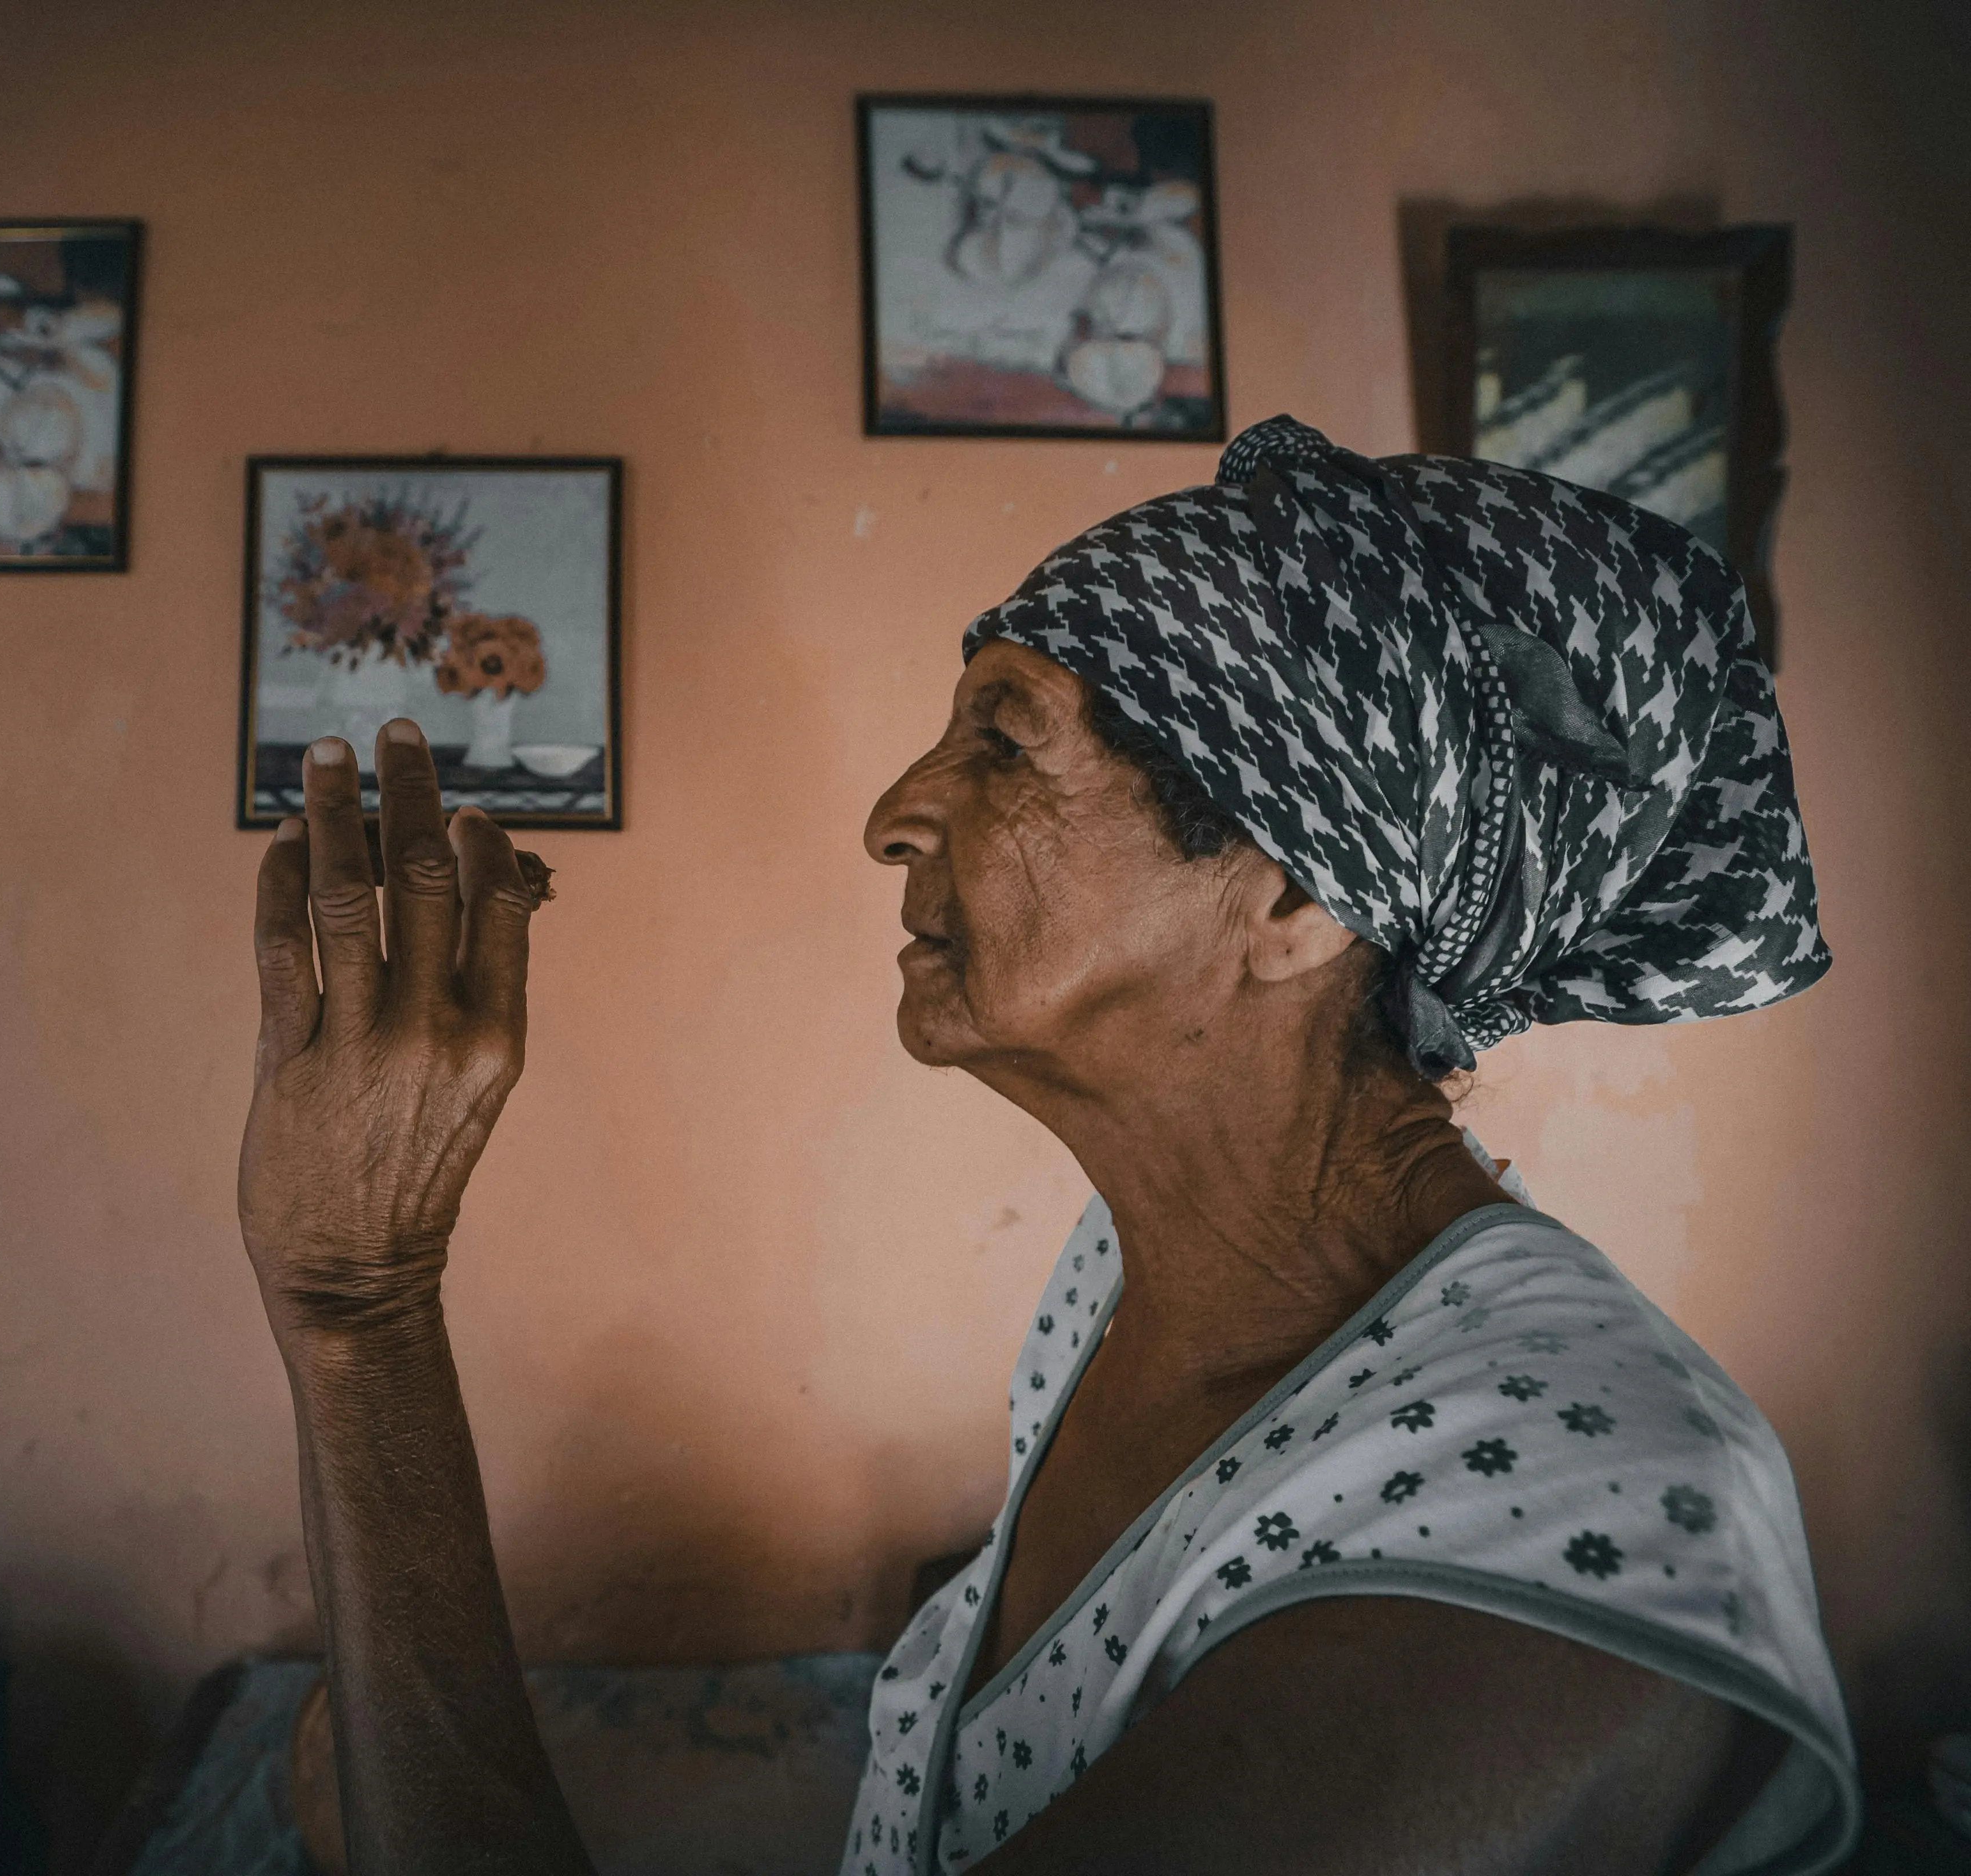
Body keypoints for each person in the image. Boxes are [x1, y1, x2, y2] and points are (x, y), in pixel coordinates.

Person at [234, 416, 1858, 1875]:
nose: (895, 809)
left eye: (1005, 744)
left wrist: (361, 1306)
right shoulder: (1123, 1286)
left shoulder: (1583, 1503)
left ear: (1295, 897)